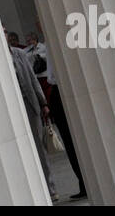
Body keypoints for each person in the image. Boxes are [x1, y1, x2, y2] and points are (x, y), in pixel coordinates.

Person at [32, 20, 87, 200]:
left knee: (75, 140)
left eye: (40, 20)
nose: (39, 24)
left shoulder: (57, 41)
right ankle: (83, 180)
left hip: (63, 90)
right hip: (57, 92)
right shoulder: (50, 43)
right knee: (71, 142)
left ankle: (85, 181)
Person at [5, 28, 57, 201]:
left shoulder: (20, 54)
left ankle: (50, 188)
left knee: (39, 148)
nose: (5, 35)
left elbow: (33, 78)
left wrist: (43, 103)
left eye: (5, 31)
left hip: (30, 104)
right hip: (10, 108)